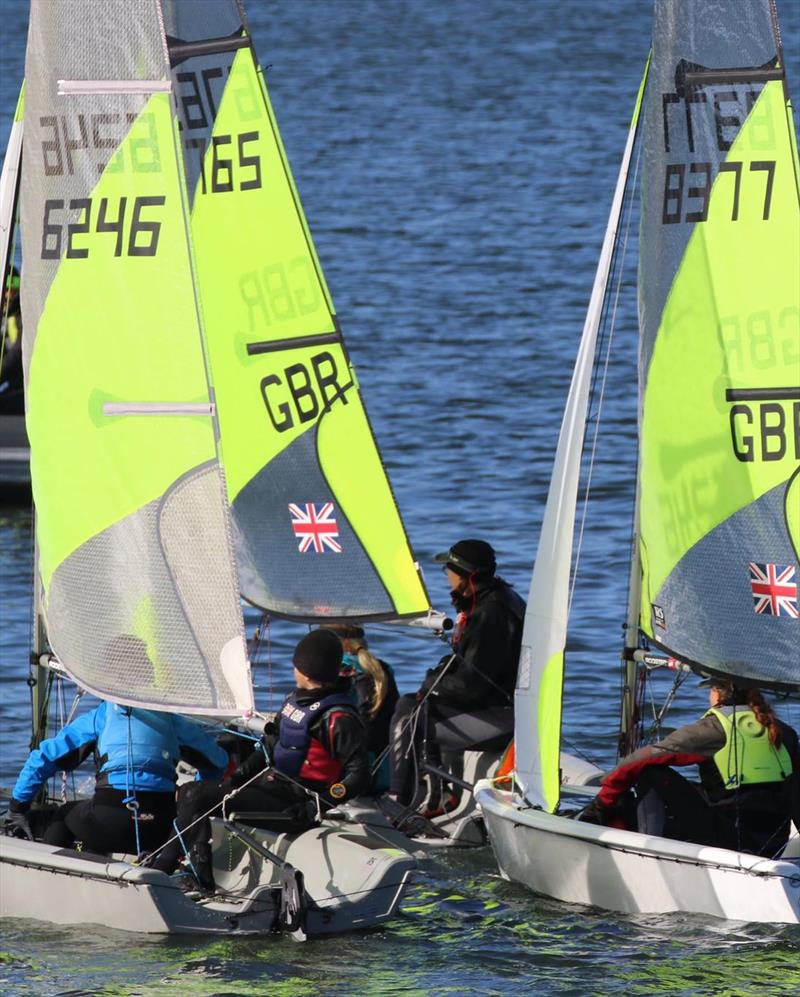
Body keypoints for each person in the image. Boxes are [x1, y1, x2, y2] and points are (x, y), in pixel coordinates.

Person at [152, 629, 370, 892]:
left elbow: (359, 776)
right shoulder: (295, 701)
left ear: (306, 671)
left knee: (196, 795)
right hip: (272, 789)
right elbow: (267, 747)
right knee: (191, 793)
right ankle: (199, 874)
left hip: (296, 805)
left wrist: (318, 805)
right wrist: (236, 778)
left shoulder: (337, 718)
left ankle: (161, 869)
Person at [4, 638, 228, 855]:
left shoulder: (100, 717)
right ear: (148, 672)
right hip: (161, 828)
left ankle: (49, 877)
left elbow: (43, 758)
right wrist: (191, 798)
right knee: (102, 815)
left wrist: (17, 809)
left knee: (64, 815)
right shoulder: (173, 720)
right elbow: (218, 761)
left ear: (107, 680)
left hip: (109, 822)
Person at [579, 678, 800, 857]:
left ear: (716, 693)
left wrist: (602, 802)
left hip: (730, 842)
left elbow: (638, 760)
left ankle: (646, 854)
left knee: (649, 772)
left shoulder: (712, 729)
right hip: (774, 842)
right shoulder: (784, 731)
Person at [387, 539, 525, 812]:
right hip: (495, 708)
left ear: (468, 576)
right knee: (418, 704)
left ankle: (398, 801)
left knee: (409, 713)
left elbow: (470, 688)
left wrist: (430, 685)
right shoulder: (495, 600)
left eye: (449, 569)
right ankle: (434, 795)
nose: (447, 576)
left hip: (506, 718)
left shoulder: (490, 617)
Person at [327, 623, 399, 793]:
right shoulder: (383, 668)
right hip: (387, 774)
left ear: (342, 644)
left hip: (354, 781)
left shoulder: (339, 671)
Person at [0, 267, 24, 415]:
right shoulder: (6, 316)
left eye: (11, 290)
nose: (7, 297)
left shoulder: (23, 316)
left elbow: (17, 353)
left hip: (24, 386)